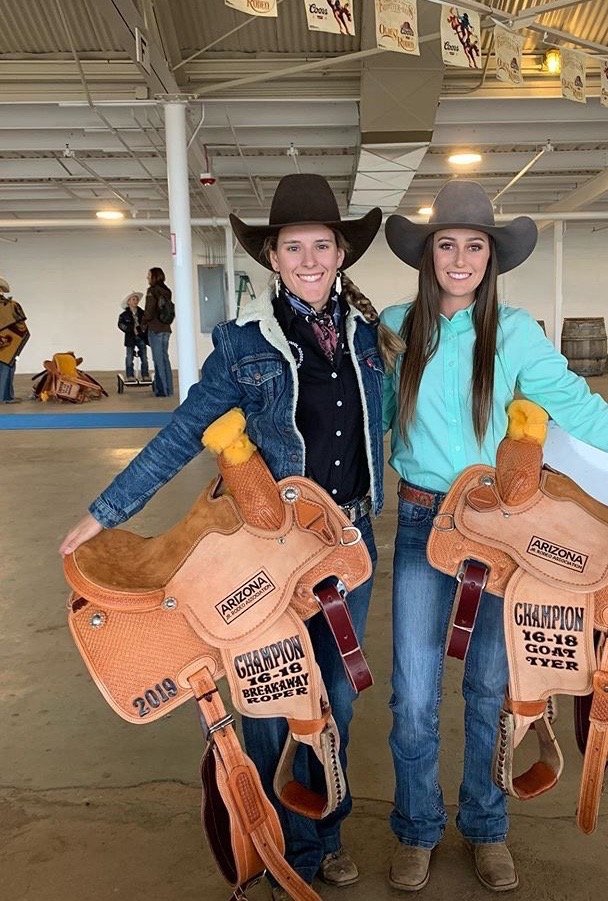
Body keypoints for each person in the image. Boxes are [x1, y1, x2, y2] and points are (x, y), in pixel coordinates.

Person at [59, 173, 399, 900]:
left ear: (340, 253)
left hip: (346, 538)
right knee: (275, 696)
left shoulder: (371, 333)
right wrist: (105, 510)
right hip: (269, 547)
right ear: (272, 258)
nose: (308, 259)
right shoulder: (243, 343)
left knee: (335, 695)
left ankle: (324, 832)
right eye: (292, 247)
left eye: (320, 245)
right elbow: (185, 430)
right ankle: (281, 838)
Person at [379, 180, 608, 894]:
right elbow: (362, 414)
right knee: (412, 695)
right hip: (421, 523)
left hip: (504, 532)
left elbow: (582, 411)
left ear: (491, 256)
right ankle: (415, 827)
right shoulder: (396, 325)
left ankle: (485, 825)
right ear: (428, 254)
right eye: (447, 244)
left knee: (491, 688)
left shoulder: (516, 332)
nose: (460, 257)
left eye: (474, 245)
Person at [143, 266, 174, 396]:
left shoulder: (152, 291)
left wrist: (143, 322)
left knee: (158, 360)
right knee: (165, 358)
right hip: (166, 329)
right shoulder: (167, 291)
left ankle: (162, 390)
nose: (147, 278)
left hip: (155, 329)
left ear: (154, 277)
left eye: (149, 276)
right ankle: (169, 389)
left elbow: (149, 312)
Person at [0, 276, 30, 404]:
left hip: (9, 344)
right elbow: (22, 329)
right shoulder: (13, 305)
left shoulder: (12, 306)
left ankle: (6, 396)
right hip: (9, 345)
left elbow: (21, 329)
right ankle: (5, 397)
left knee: (7, 368)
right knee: (7, 368)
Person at [117, 291, 150, 380]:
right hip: (130, 338)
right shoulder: (124, 315)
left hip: (141, 337)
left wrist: (142, 330)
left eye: (137, 299)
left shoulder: (142, 313)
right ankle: (130, 375)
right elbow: (121, 325)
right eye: (133, 299)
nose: (136, 301)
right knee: (129, 357)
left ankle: (145, 374)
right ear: (129, 302)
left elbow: (146, 324)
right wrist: (130, 329)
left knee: (144, 357)